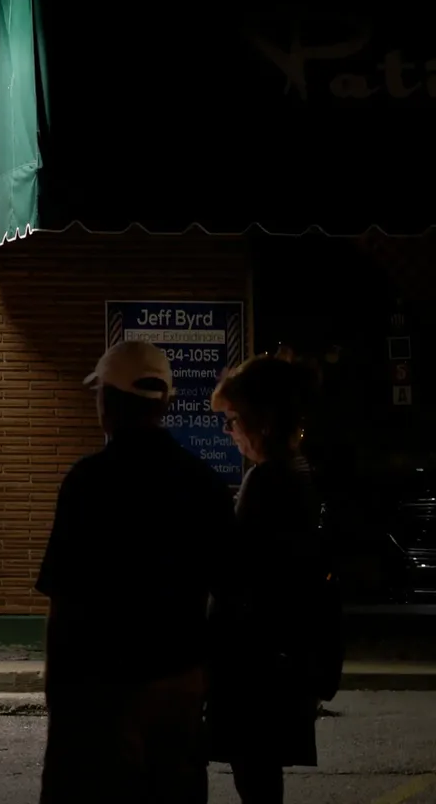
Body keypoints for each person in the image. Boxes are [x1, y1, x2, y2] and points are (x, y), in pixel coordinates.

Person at [37, 341, 236, 804]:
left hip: (98, 691)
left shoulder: (87, 483)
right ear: (164, 403)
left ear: (106, 403)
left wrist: (56, 694)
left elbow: (63, 599)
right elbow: (227, 592)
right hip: (178, 687)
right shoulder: (205, 484)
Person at [208, 355, 330, 804]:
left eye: (233, 419)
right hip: (283, 658)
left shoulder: (266, 482)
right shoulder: (297, 473)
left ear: (260, 420)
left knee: (255, 774)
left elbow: (236, 572)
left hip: (256, 666)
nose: (229, 430)